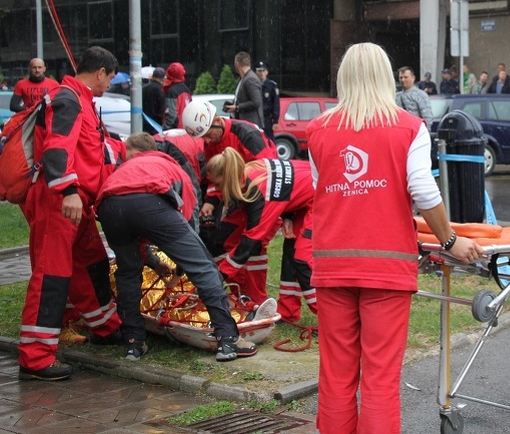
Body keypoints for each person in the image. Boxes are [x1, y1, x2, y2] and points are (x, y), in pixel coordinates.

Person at [306, 42, 483, 433]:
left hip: (333, 265)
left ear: (344, 77)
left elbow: (321, 192)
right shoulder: (408, 128)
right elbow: (421, 187)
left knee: (336, 373)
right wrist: (451, 240)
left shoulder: (317, 131)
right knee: (380, 378)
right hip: (386, 267)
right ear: (386, 77)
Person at [96, 133, 257, 361]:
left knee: (128, 272)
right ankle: (229, 339)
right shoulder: (171, 167)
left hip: (109, 206)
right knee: (204, 267)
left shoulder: (123, 169)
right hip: (149, 200)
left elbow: (134, 230)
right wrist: (186, 263)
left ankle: (133, 343)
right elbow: (189, 218)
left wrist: (155, 263)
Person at [19, 46, 124, 381]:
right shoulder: (68, 99)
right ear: (101, 72)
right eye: (109, 78)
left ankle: (106, 328)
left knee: (90, 263)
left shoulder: (79, 100)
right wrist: (67, 190)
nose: (108, 85)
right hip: (61, 201)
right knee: (53, 275)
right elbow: (58, 146)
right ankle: (35, 358)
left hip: (78, 203)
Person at [206, 148, 317, 320]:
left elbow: (251, 240)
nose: (218, 190)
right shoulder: (248, 171)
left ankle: (330, 317)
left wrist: (218, 277)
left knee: (301, 257)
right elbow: (292, 185)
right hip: (308, 197)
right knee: (291, 253)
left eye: (219, 185)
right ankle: (286, 312)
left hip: (324, 198)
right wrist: (288, 214)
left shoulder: (259, 191)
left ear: (227, 177)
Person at [182, 99, 278, 258]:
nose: (206, 141)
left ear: (218, 121)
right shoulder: (213, 139)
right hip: (240, 197)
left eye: (207, 135)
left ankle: (244, 280)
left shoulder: (247, 136)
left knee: (253, 247)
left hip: (262, 198)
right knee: (222, 242)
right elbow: (215, 175)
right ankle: (234, 280)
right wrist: (211, 201)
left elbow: (269, 173)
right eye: (201, 138)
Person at [224, 51, 264, 130]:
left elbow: (256, 102)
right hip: (245, 124)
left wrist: (237, 107)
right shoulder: (243, 78)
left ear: (237, 64)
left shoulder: (250, 79)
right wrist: (233, 104)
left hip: (250, 125)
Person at [162, 62, 192, 130]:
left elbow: (172, 115)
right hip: (185, 129)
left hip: (174, 130)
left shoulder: (172, 91)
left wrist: (165, 128)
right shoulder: (186, 89)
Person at [255, 61, 280, 141]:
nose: (261, 73)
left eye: (263, 71)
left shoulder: (272, 86)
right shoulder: (253, 84)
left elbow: (276, 104)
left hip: (267, 119)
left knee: (268, 140)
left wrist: (275, 120)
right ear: (256, 72)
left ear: (267, 72)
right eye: (259, 71)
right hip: (256, 117)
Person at [142, 66, 166, 134]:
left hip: (144, 122)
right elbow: (162, 108)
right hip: (157, 124)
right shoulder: (162, 90)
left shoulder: (143, 88)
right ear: (163, 79)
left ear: (153, 76)